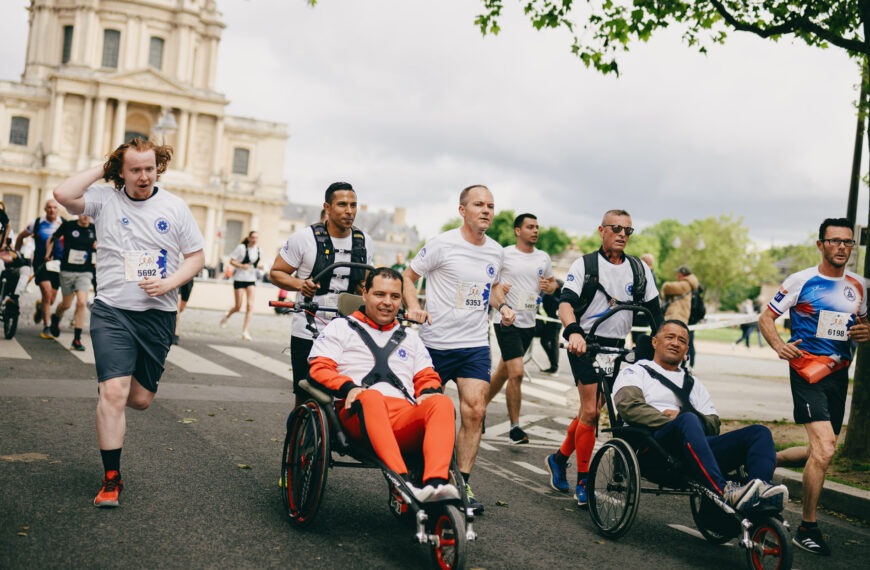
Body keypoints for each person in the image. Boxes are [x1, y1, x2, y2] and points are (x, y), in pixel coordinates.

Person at [53, 138, 205, 508]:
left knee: (140, 399)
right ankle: (111, 478)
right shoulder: (105, 200)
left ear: (159, 168)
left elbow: (196, 257)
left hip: (158, 314)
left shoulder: (174, 207)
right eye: (135, 169)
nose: (144, 176)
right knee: (115, 395)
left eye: (150, 168)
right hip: (112, 310)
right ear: (121, 172)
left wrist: (169, 283)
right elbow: (62, 193)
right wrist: (103, 168)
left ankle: (114, 390)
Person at [758, 217, 869, 556]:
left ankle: (766, 460)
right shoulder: (802, 280)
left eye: (847, 242)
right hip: (806, 372)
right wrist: (779, 345)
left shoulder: (860, 285)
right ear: (821, 245)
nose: (842, 247)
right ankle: (807, 527)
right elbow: (766, 318)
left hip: (837, 375)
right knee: (825, 446)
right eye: (835, 241)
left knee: (819, 451)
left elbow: (863, 322)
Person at [402, 184, 513, 514]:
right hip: (434, 344)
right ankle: (418, 476)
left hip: (475, 344)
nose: (486, 210)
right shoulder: (441, 245)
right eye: (478, 204)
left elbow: (491, 289)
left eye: (491, 205)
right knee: (425, 415)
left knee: (475, 410)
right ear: (462, 210)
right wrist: (413, 307)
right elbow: (408, 277)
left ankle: (461, 482)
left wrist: (503, 306)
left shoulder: (496, 251)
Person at [307, 267, 459, 502]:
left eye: (395, 297)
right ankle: (403, 482)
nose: (387, 302)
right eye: (380, 294)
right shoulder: (340, 327)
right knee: (371, 397)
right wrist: (349, 388)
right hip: (357, 412)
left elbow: (427, 375)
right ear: (365, 294)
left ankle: (436, 484)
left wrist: (428, 392)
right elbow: (320, 368)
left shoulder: (411, 338)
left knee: (441, 402)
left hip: (403, 416)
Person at [545, 209, 662, 507]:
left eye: (628, 230)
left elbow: (655, 315)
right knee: (592, 411)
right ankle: (583, 481)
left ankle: (558, 459)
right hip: (585, 342)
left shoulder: (639, 270)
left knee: (592, 410)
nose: (622, 234)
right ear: (602, 230)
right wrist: (573, 332)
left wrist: (661, 343)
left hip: (618, 347)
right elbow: (566, 304)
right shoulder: (585, 265)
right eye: (616, 228)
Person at [613, 319, 789, 512]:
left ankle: (759, 493)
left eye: (681, 340)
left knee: (759, 432)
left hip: (697, 448)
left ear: (687, 348)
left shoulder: (694, 383)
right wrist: (675, 420)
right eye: (669, 337)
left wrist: (685, 415)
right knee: (688, 420)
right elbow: (629, 407)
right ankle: (723, 492)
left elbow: (713, 424)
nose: (675, 343)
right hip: (655, 449)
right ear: (655, 342)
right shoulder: (635, 372)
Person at [269, 182, 374, 408]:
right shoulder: (304, 238)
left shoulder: (364, 242)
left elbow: (365, 283)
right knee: (306, 393)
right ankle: (299, 438)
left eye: (353, 205)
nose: (349, 211)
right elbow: (276, 273)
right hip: (309, 326)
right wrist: (299, 284)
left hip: (348, 328)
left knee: (349, 390)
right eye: (342, 204)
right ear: (327, 207)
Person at [486, 213, 556, 444]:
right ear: (518, 231)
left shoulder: (543, 257)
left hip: (529, 322)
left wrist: (550, 286)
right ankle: (515, 428)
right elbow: (490, 282)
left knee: (503, 372)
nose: (535, 231)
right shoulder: (504, 254)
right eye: (530, 227)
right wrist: (500, 291)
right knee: (516, 373)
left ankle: (478, 406)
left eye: (537, 227)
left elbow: (552, 283)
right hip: (506, 320)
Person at [45, 214, 97, 350]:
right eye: (83, 213)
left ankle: (76, 339)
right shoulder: (68, 226)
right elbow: (52, 238)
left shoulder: (94, 229)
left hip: (85, 271)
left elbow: (101, 245)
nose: (86, 217)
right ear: (79, 214)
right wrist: (48, 254)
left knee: (81, 302)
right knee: (66, 304)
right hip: (67, 270)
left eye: (89, 214)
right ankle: (56, 317)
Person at [14, 199, 63, 338]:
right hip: (41, 264)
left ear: (57, 210)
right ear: (45, 209)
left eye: (54, 207)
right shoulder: (36, 223)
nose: (52, 210)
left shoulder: (63, 224)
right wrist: (17, 253)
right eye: (49, 207)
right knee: (46, 294)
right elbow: (21, 236)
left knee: (51, 299)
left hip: (57, 265)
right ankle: (47, 327)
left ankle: (40, 307)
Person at [220, 230, 261, 340]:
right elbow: (231, 261)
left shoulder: (258, 250)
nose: (254, 240)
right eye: (253, 237)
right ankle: (227, 315)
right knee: (238, 306)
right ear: (249, 238)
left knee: (250, 306)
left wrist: (261, 267)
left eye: (256, 238)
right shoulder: (241, 248)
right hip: (239, 278)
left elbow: (257, 264)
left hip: (251, 279)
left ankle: (245, 331)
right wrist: (242, 266)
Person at [661, 265, 700, 369]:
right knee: (683, 341)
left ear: (681, 274)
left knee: (675, 342)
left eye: (678, 273)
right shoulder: (691, 284)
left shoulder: (685, 284)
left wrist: (664, 285)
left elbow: (668, 288)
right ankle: (684, 365)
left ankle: (681, 364)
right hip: (682, 317)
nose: (677, 276)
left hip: (677, 317)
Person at [536, 278, 563, 374]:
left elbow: (561, 285)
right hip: (550, 318)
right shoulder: (543, 289)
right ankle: (553, 364)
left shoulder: (558, 286)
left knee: (553, 341)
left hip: (556, 319)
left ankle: (554, 366)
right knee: (545, 341)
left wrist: (555, 285)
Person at [631, 253, 659, 345]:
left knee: (638, 337)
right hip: (643, 312)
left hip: (642, 312)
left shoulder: (647, 275)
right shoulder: (652, 274)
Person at [173, 277, 194, 345]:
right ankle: (176, 332)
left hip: (187, 276)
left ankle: (174, 327)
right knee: (176, 307)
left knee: (181, 307)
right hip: (174, 275)